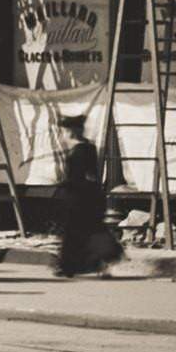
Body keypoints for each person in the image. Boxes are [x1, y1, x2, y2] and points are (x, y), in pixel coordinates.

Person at [54, 114, 123, 277]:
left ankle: (73, 266)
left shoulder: (83, 149)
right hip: (79, 196)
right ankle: (78, 266)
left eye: (68, 129)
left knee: (80, 232)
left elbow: (86, 175)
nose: (66, 133)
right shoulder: (82, 148)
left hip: (82, 198)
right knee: (83, 232)